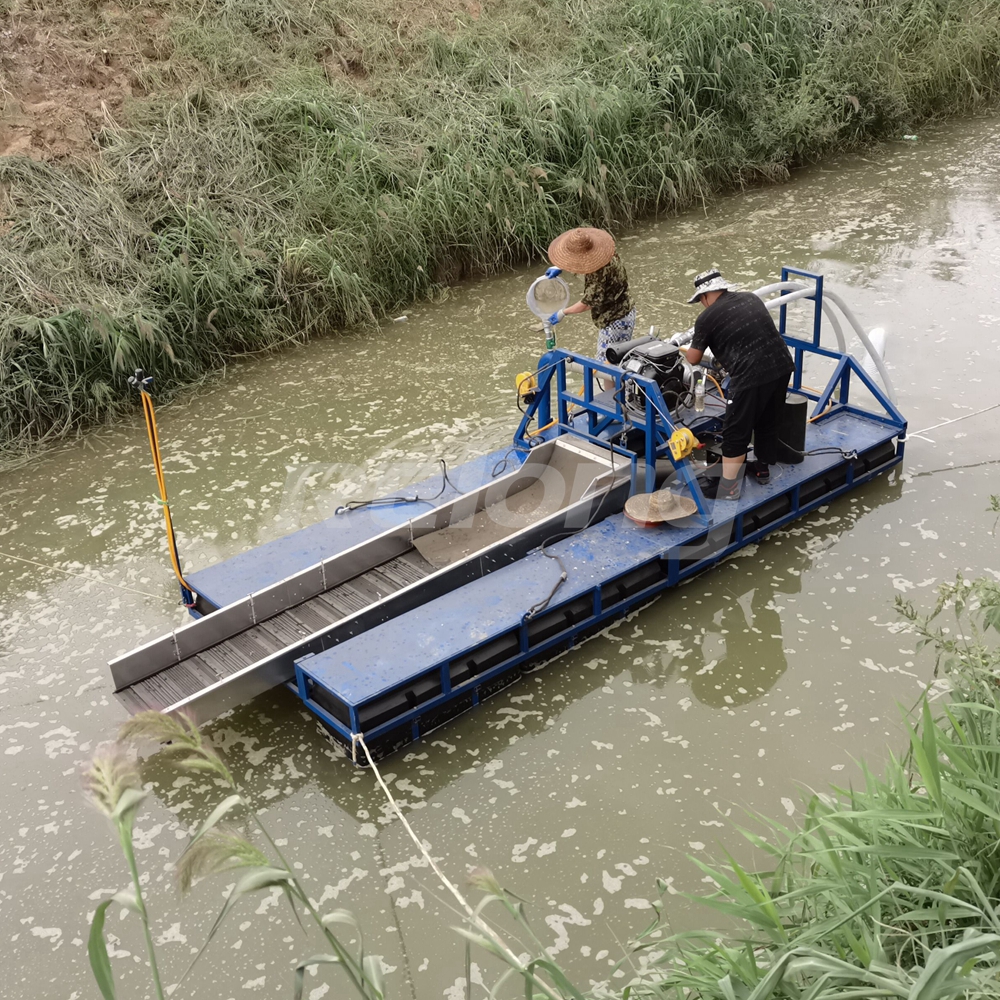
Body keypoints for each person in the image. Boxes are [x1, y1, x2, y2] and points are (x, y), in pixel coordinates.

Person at [682, 268, 794, 500]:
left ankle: (728, 488)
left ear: (705, 296)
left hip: (750, 376)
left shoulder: (707, 317)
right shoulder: (751, 298)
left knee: (736, 430)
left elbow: (693, 358)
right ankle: (762, 468)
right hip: (781, 365)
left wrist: (678, 351)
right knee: (767, 420)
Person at [545, 228, 636, 371]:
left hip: (615, 321)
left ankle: (612, 393)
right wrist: (560, 266)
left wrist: (563, 312)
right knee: (612, 363)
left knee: (606, 367)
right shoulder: (605, 253)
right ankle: (614, 391)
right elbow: (581, 261)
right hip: (625, 310)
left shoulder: (598, 272)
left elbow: (588, 303)